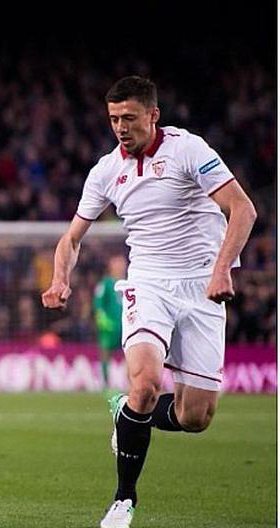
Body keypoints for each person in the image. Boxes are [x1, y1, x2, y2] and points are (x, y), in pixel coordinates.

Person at [41, 76, 257, 528]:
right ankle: (123, 500)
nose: (120, 127)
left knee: (195, 417)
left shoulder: (188, 150)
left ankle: (126, 415)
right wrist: (61, 278)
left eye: (129, 118)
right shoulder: (105, 171)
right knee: (145, 383)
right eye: (114, 119)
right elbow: (72, 237)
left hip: (201, 287)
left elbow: (243, 209)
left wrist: (221, 270)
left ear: (153, 115)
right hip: (148, 284)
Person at [93, 255, 126, 392]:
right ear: (111, 265)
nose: (120, 266)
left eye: (122, 263)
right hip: (109, 326)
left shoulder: (129, 282)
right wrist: (102, 320)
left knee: (131, 355)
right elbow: (98, 303)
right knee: (105, 353)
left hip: (126, 325)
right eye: (117, 263)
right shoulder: (105, 283)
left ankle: (131, 384)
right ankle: (105, 384)